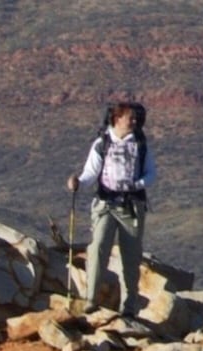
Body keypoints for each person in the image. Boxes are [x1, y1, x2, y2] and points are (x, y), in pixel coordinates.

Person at [67, 103, 155, 316]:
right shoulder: (102, 143)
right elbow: (91, 172)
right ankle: (91, 299)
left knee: (131, 256)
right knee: (98, 247)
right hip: (105, 204)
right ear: (117, 118)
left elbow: (151, 173)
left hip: (131, 206)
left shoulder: (140, 144)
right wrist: (78, 182)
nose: (134, 121)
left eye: (135, 118)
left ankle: (130, 306)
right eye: (130, 118)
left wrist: (136, 185)